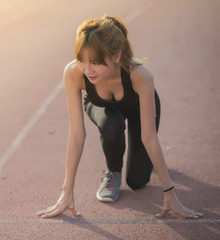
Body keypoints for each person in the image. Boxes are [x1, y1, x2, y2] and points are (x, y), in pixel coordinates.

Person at [36, 15, 203, 219]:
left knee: (137, 181)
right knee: (111, 125)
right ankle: (113, 172)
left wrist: (169, 192)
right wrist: (66, 192)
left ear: (116, 56)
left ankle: (145, 164)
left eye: (95, 62)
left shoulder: (140, 75)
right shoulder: (73, 73)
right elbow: (77, 134)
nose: (87, 69)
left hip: (136, 108)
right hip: (101, 106)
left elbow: (149, 137)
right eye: (81, 59)